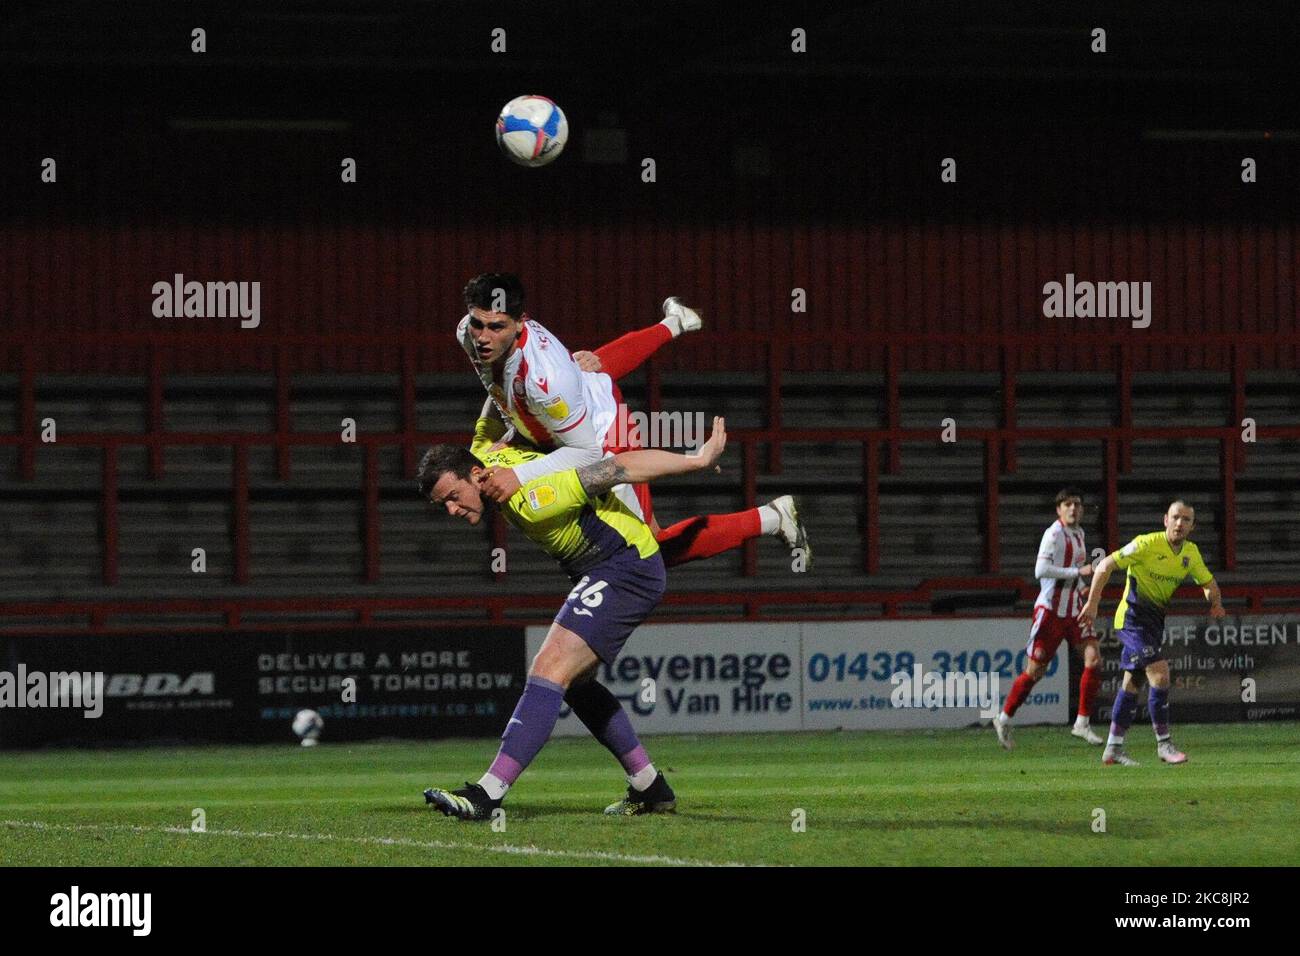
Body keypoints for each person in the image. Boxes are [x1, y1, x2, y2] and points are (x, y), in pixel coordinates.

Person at [417, 411, 730, 819]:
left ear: (476, 476)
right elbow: (495, 397)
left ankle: (486, 794)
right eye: (444, 505)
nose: (452, 511)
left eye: (453, 497)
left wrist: (696, 461)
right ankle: (650, 786)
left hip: (626, 566)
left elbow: (621, 467)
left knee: (549, 669)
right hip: (604, 567)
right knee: (577, 684)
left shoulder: (533, 497)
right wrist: (480, 350)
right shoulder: (481, 452)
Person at [456, 272, 810, 567]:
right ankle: (676, 322)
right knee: (590, 366)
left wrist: (518, 473)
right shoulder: (468, 335)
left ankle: (773, 517)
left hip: (604, 434)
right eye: (478, 324)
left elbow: (589, 454)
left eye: (496, 327)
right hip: (564, 413)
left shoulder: (547, 381)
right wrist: (511, 425)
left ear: (521, 324)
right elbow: (498, 381)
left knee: (651, 546)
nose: (484, 337)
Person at [1078, 500, 1226, 766]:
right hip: (1132, 619)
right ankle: (1164, 744)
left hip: (1153, 622)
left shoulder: (1190, 553)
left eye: (1186, 520)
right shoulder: (1146, 544)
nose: (1180, 523)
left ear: (1193, 527)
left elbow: (1208, 582)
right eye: (1175, 517)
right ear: (1165, 520)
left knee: (1132, 682)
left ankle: (1113, 748)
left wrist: (1214, 601)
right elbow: (1104, 565)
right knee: (1160, 673)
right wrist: (1093, 603)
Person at [992, 488, 1104, 749]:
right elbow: (1040, 570)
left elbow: (1074, 574)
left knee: (1094, 658)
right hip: (1050, 613)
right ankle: (1004, 718)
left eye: (1077, 504)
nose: (1073, 509)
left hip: (1074, 609)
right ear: (1059, 510)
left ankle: (1082, 723)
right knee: (1035, 671)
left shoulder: (1080, 534)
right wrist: (1079, 571)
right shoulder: (1053, 534)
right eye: (1067, 504)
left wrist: (1081, 586)